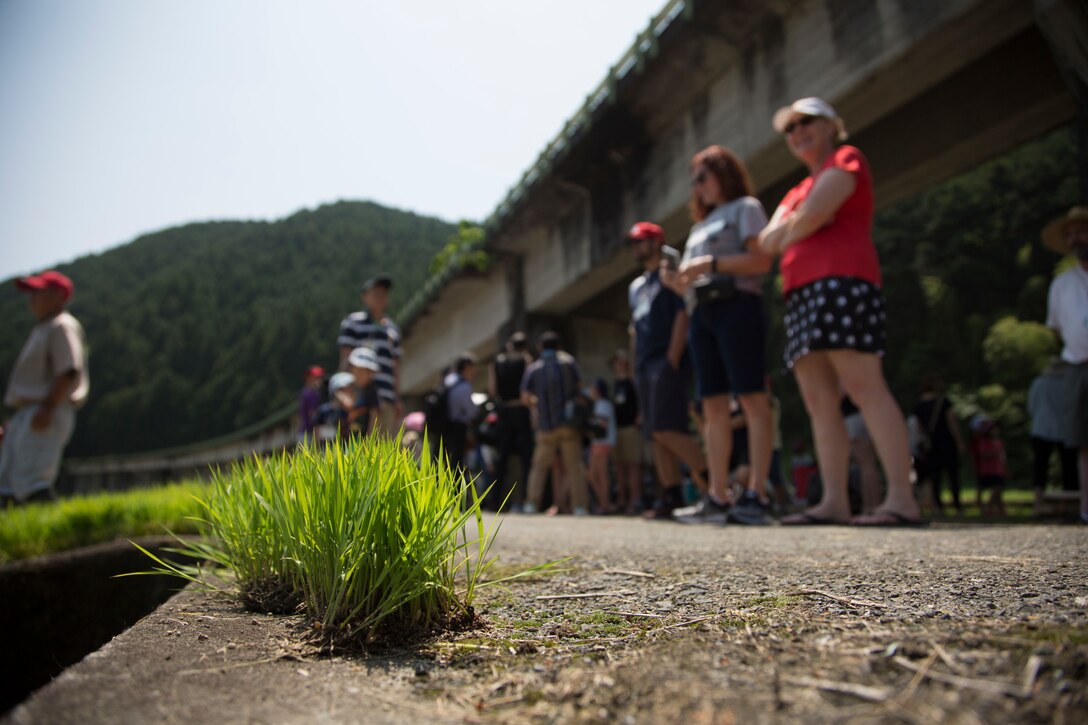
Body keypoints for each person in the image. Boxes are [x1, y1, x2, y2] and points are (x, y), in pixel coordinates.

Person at [758, 96, 923, 526]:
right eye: (790, 127)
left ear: (832, 125)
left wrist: (797, 224)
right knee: (817, 399)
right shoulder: (797, 189)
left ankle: (902, 498)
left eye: (806, 121)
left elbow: (804, 222)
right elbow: (767, 241)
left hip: (844, 281)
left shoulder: (847, 159)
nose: (797, 132)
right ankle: (834, 500)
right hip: (800, 293)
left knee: (863, 384)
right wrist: (801, 221)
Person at [662, 144, 775, 526]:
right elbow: (693, 280)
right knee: (712, 408)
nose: (698, 187)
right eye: (694, 181)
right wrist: (677, 281)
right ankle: (717, 495)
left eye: (702, 177)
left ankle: (758, 492)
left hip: (737, 304)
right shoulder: (698, 227)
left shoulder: (745, 208)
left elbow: (761, 260)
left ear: (723, 173)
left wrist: (709, 263)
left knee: (752, 398)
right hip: (702, 313)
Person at [624, 221, 709, 520]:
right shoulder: (636, 287)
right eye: (632, 242)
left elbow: (681, 314)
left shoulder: (669, 273)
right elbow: (635, 329)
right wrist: (636, 368)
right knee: (654, 432)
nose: (635, 246)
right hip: (644, 364)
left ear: (657, 241)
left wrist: (672, 359)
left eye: (641, 240)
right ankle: (670, 494)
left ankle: (712, 480)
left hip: (665, 359)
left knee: (666, 427)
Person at [0, 271, 89, 504]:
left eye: (38, 292)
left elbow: (69, 369)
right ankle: (17, 534)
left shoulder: (61, 325)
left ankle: (49, 532)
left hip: (47, 409)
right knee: (8, 483)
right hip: (31, 411)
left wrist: (47, 408)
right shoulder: (44, 327)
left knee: (33, 481)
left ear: (59, 296)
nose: (32, 298)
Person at [1041, 205, 1088, 524]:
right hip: (1077, 364)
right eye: (1069, 234)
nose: (1075, 238)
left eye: (1080, 231)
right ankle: (1087, 505)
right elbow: (1058, 327)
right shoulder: (1062, 284)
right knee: (1081, 438)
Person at [520, 331, 589, 516]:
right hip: (568, 424)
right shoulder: (569, 363)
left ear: (540, 348)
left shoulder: (534, 368)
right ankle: (579, 506)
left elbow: (525, 397)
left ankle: (532, 503)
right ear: (559, 346)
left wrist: (539, 404)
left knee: (539, 467)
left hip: (546, 426)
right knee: (574, 466)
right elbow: (581, 388)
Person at [337, 275, 403, 437]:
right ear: (364, 296)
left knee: (384, 445)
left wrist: (397, 398)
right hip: (359, 395)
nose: (380, 297)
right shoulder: (353, 322)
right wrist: (343, 389)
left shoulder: (392, 329)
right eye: (376, 293)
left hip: (385, 396)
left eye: (384, 294)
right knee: (356, 438)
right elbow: (345, 358)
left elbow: (395, 367)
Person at [488, 332, 534, 510]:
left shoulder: (496, 361)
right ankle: (528, 500)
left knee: (502, 459)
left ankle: (495, 502)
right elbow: (528, 389)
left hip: (504, 412)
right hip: (520, 410)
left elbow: (492, 390)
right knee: (526, 457)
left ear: (509, 345)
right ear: (524, 346)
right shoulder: (525, 360)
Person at [1027, 362, 1080, 515]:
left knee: (1040, 467)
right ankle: (1071, 506)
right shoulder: (1069, 383)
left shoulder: (1039, 383)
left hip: (1041, 427)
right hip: (1066, 429)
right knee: (1069, 468)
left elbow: (1031, 406)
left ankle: (1038, 504)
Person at [911, 376, 966, 516]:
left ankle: (939, 507)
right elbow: (951, 421)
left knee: (935, 477)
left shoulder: (918, 405)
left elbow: (919, 427)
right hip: (946, 442)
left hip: (931, 444)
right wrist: (959, 441)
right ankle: (957, 506)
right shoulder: (943, 402)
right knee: (953, 475)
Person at [610, 350, 642, 514]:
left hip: (630, 427)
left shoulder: (633, 381)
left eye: (621, 361)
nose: (618, 364)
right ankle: (621, 500)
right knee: (619, 466)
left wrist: (639, 416)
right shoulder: (616, 384)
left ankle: (634, 501)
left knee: (633, 465)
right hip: (618, 428)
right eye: (616, 361)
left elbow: (640, 401)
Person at [443, 352, 479, 473]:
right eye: (472, 367)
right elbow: (471, 412)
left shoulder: (448, 382)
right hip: (458, 429)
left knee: (446, 463)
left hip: (446, 428)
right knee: (457, 464)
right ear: (467, 367)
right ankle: (456, 491)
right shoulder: (464, 386)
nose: (474, 371)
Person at [586, 378, 617, 514]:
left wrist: (587, 425)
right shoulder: (599, 404)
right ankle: (603, 503)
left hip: (602, 442)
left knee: (599, 474)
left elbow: (602, 424)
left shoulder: (602, 404)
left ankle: (605, 504)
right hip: (599, 443)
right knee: (595, 474)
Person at [970, 416, 1007, 517]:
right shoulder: (983, 442)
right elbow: (982, 455)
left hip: (998, 470)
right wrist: (993, 453)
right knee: (982, 488)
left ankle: (995, 509)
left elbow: (1003, 457)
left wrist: (1005, 468)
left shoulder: (999, 442)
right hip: (986, 470)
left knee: (998, 489)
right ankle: (986, 508)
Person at [346, 347, 382, 438]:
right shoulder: (349, 388)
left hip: (364, 435)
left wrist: (370, 438)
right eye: (356, 371)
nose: (359, 375)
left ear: (371, 373)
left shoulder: (371, 392)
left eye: (363, 372)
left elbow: (374, 415)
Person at [313, 372, 356, 445]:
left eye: (350, 389)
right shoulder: (324, 410)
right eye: (344, 389)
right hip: (326, 449)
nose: (349, 392)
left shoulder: (352, 410)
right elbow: (317, 431)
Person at [298, 365, 326, 443]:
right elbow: (313, 416)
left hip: (305, 433)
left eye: (320, 378)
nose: (319, 380)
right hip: (309, 434)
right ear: (308, 378)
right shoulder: (311, 394)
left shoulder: (305, 392)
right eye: (316, 378)